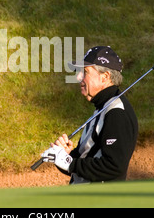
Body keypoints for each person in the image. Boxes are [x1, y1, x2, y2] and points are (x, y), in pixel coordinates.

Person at [41, 46, 138, 184]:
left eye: (85, 72)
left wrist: (69, 163)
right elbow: (86, 163)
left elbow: (114, 166)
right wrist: (68, 156)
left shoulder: (117, 113)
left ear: (105, 77)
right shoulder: (102, 108)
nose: (78, 77)